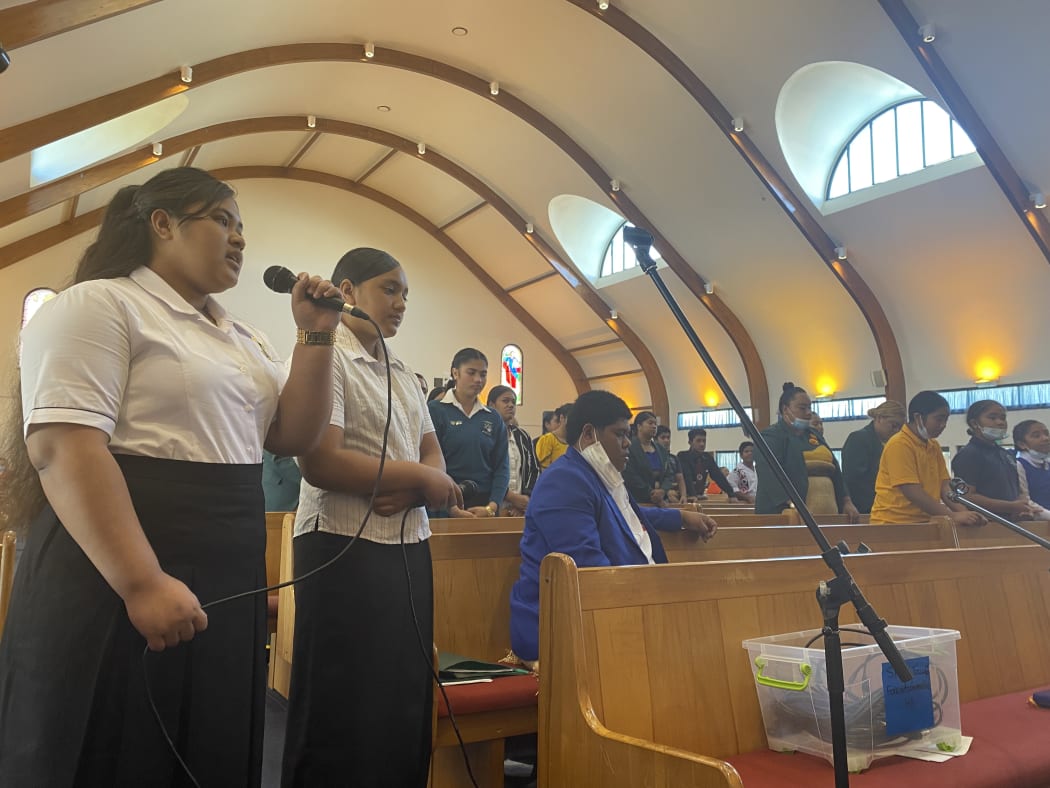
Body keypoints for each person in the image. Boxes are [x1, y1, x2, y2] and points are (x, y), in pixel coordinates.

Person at [0, 167, 341, 787]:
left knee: (208, 742)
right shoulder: (100, 303)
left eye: (242, 227)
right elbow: (64, 445)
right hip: (116, 558)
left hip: (224, 563)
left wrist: (316, 334)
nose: (239, 238)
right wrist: (142, 581)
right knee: (108, 742)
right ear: (162, 224)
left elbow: (292, 435)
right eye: (221, 221)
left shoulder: (243, 336)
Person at [281, 248, 460, 787]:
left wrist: (415, 486)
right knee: (343, 698)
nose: (401, 303)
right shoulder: (326, 356)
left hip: (408, 541)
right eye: (389, 289)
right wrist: (420, 480)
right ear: (348, 291)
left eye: (406, 293)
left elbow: (434, 457)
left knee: (402, 691)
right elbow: (322, 460)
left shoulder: (404, 373)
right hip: (340, 544)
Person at [508, 391, 717, 666]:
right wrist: (652, 599)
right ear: (589, 433)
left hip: (610, 608)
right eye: (620, 434)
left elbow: (626, 515)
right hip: (562, 626)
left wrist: (680, 517)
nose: (628, 443)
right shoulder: (563, 481)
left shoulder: (597, 474)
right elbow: (589, 569)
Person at [870, 391, 984, 526]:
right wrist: (952, 515)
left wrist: (966, 513)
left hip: (924, 521)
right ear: (918, 417)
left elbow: (945, 487)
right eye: (939, 419)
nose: (943, 425)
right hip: (893, 523)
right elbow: (912, 492)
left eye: (946, 420)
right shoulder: (899, 444)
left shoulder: (933, 445)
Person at [755, 382, 860, 520]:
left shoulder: (814, 435)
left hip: (825, 513)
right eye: (802, 408)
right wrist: (792, 504)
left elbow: (836, 471)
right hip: (784, 513)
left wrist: (846, 501)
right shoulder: (771, 436)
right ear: (786, 409)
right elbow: (769, 473)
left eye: (809, 408)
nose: (809, 413)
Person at [428, 348, 510, 518]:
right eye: (471, 373)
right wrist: (451, 507)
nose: (478, 380)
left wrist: (491, 507)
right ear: (455, 373)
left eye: (483, 374)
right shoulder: (436, 410)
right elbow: (429, 462)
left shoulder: (493, 417)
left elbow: (502, 467)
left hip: (484, 507)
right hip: (443, 504)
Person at [951, 400, 1049, 521]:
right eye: (992, 418)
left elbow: (1016, 492)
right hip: (985, 525)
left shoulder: (1005, 454)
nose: (1000, 422)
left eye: (1003, 418)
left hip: (1012, 522)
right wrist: (1010, 507)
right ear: (975, 423)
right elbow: (966, 496)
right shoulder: (969, 454)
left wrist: (1022, 507)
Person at [841, 400, 906, 514]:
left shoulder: (891, 443)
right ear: (880, 418)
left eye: (900, 428)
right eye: (894, 425)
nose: (896, 431)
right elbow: (854, 480)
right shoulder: (858, 439)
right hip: (865, 508)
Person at [487, 385, 539, 516]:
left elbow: (534, 469)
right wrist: (510, 497)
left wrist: (524, 499)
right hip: (491, 505)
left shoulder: (522, 436)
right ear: (492, 405)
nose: (510, 405)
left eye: (513, 402)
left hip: (521, 508)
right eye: (505, 401)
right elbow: (483, 471)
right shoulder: (484, 435)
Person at [676, 427, 745, 502]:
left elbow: (718, 476)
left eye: (704, 441)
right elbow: (687, 476)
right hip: (685, 496)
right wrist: (693, 495)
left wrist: (731, 494)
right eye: (698, 441)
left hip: (699, 496)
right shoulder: (682, 456)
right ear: (690, 442)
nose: (702, 444)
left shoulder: (707, 458)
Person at [623, 411, 677, 505]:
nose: (654, 426)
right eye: (650, 423)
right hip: (637, 499)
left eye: (655, 424)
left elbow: (669, 474)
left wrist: (663, 491)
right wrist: (651, 493)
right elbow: (630, 475)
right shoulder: (630, 447)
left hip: (661, 499)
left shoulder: (661, 449)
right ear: (639, 426)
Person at [1014, 419, 1050, 510]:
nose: (1046, 438)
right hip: (1038, 521)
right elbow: (1026, 502)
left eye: (1047, 434)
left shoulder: (1047, 463)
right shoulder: (1018, 465)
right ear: (1022, 444)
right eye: (1037, 436)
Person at [655, 425, 687, 503]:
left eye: (668, 437)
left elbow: (680, 478)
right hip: (659, 493)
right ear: (655, 440)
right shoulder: (653, 457)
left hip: (674, 493)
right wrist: (666, 492)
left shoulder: (674, 458)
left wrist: (683, 495)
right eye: (663, 438)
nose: (666, 440)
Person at [535, 402, 572, 470]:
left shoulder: (574, 441)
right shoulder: (548, 439)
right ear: (562, 418)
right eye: (571, 418)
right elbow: (542, 470)